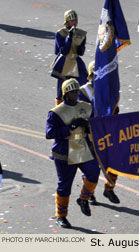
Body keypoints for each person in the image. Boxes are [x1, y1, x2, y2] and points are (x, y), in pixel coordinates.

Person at [46, 78, 100, 228]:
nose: (75, 94)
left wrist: (88, 126)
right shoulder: (56, 112)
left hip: (83, 148)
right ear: (65, 94)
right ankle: (61, 215)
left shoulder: (86, 107)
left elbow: (95, 125)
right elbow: (49, 133)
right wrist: (70, 127)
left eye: (76, 91)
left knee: (94, 172)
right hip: (64, 152)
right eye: (72, 92)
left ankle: (84, 199)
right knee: (65, 186)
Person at [79, 61, 120, 205]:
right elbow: (82, 112)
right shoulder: (84, 91)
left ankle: (109, 189)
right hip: (90, 133)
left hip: (107, 131)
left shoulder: (109, 89)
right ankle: (89, 194)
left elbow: (114, 109)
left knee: (115, 162)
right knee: (91, 167)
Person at [51, 10, 88, 105]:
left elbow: (81, 52)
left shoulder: (81, 33)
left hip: (76, 60)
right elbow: (62, 51)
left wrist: (80, 45)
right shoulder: (60, 33)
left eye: (76, 20)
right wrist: (69, 38)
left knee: (83, 83)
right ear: (66, 21)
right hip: (64, 62)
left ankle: (82, 104)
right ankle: (59, 108)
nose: (74, 22)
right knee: (62, 88)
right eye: (72, 21)